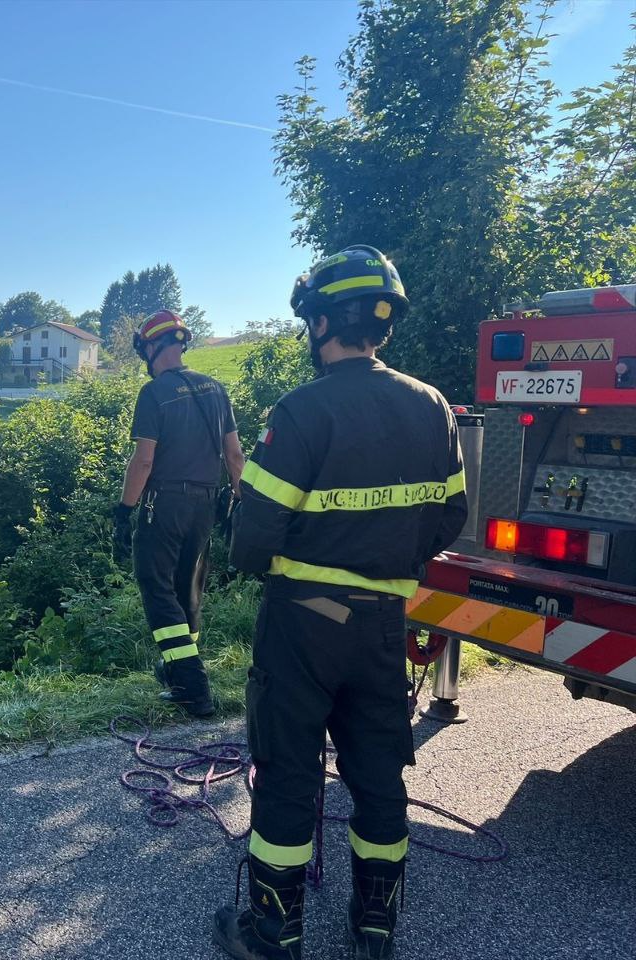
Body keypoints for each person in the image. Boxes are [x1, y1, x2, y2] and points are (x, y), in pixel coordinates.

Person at [212, 246, 468, 960]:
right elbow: (452, 517)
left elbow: (251, 539)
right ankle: (375, 925)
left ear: (322, 320)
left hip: (302, 625)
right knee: (379, 772)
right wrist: (389, 561)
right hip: (383, 625)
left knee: (289, 773)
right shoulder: (431, 406)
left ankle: (274, 930)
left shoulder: (298, 413)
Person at [113, 310, 245, 718]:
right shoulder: (216, 390)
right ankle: (177, 667)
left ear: (151, 347)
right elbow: (235, 455)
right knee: (189, 585)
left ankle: (191, 684)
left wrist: (123, 511)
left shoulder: (155, 393)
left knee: (156, 586)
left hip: (163, 503)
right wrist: (240, 501)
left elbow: (144, 461)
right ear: (180, 343)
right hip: (206, 503)